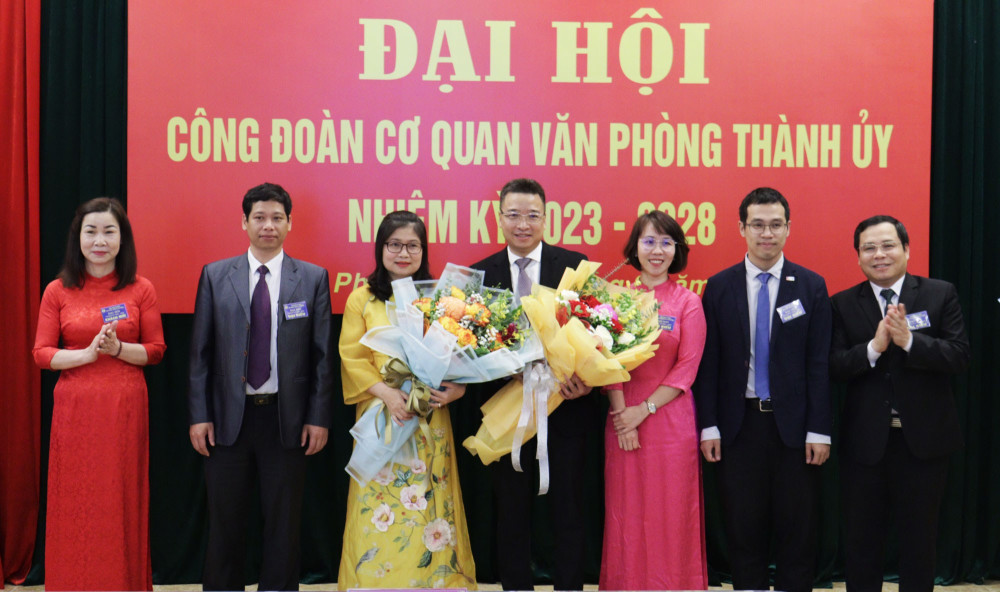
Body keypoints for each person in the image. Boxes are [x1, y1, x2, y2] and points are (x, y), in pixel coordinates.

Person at [187, 182, 333, 591]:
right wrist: (199, 416)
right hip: (227, 419)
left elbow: (322, 357)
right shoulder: (216, 276)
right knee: (225, 522)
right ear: (244, 222)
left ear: (289, 223)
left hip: (286, 419)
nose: (268, 225)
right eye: (259, 218)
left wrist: (318, 418)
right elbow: (199, 354)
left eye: (277, 218)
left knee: (283, 524)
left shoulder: (312, 278)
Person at [694, 187, 832, 592]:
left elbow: (819, 365)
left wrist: (819, 430)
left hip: (796, 431)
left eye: (775, 225)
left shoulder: (810, 285)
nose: (766, 233)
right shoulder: (719, 287)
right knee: (743, 529)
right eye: (757, 224)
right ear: (742, 228)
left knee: (797, 531)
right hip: (739, 428)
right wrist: (709, 425)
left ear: (789, 228)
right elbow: (709, 364)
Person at [830, 215, 970, 592]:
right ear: (858, 256)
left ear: (906, 249)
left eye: (888, 245)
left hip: (923, 445)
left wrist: (909, 341)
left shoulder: (940, 294)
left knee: (919, 543)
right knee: (862, 543)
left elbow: (959, 356)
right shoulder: (842, 303)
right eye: (869, 248)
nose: (879, 254)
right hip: (865, 445)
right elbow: (834, 366)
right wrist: (874, 348)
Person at [32, 197, 166, 591]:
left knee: (118, 501)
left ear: (123, 239)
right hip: (75, 413)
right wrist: (87, 354)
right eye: (91, 231)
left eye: (109, 231)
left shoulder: (141, 288)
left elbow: (156, 351)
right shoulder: (57, 290)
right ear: (78, 238)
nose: (100, 241)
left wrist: (117, 349)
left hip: (124, 411)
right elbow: (41, 354)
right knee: (76, 503)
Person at [338, 210, 476, 589]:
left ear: (423, 250)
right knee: (379, 507)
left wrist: (459, 388)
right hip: (384, 417)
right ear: (380, 248)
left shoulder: (441, 299)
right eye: (394, 244)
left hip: (430, 417)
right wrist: (388, 394)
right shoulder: (362, 298)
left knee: (432, 506)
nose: (403, 253)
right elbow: (352, 358)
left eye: (412, 246)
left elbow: (461, 358)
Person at [470, 178, 593, 591]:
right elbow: (469, 347)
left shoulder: (573, 266)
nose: (523, 224)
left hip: (566, 407)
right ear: (499, 217)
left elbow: (594, 333)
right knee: (511, 513)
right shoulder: (480, 274)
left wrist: (587, 382)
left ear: (545, 217)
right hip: (508, 411)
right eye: (514, 215)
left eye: (532, 216)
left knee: (569, 510)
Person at [601, 211, 708, 590]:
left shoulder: (688, 302)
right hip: (622, 419)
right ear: (635, 248)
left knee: (671, 512)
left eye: (666, 242)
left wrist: (643, 411)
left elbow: (687, 368)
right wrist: (622, 418)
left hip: (669, 421)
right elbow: (606, 363)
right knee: (627, 512)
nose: (657, 250)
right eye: (648, 241)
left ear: (677, 250)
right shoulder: (618, 301)